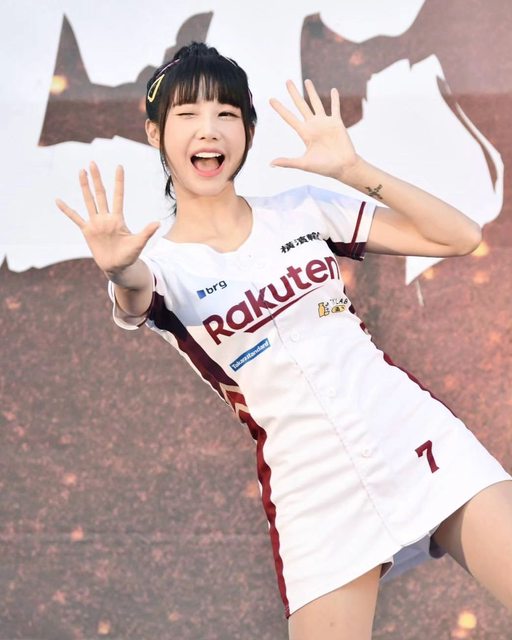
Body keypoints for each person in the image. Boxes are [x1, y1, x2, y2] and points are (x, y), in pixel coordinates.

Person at [56, 42, 512, 640]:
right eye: (187, 115)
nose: (208, 129)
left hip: (411, 434)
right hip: (311, 488)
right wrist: (119, 269)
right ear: (155, 133)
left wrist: (354, 171)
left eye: (225, 113)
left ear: (247, 131)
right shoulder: (158, 264)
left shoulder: (301, 209)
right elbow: (135, 295)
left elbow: (459, 236)